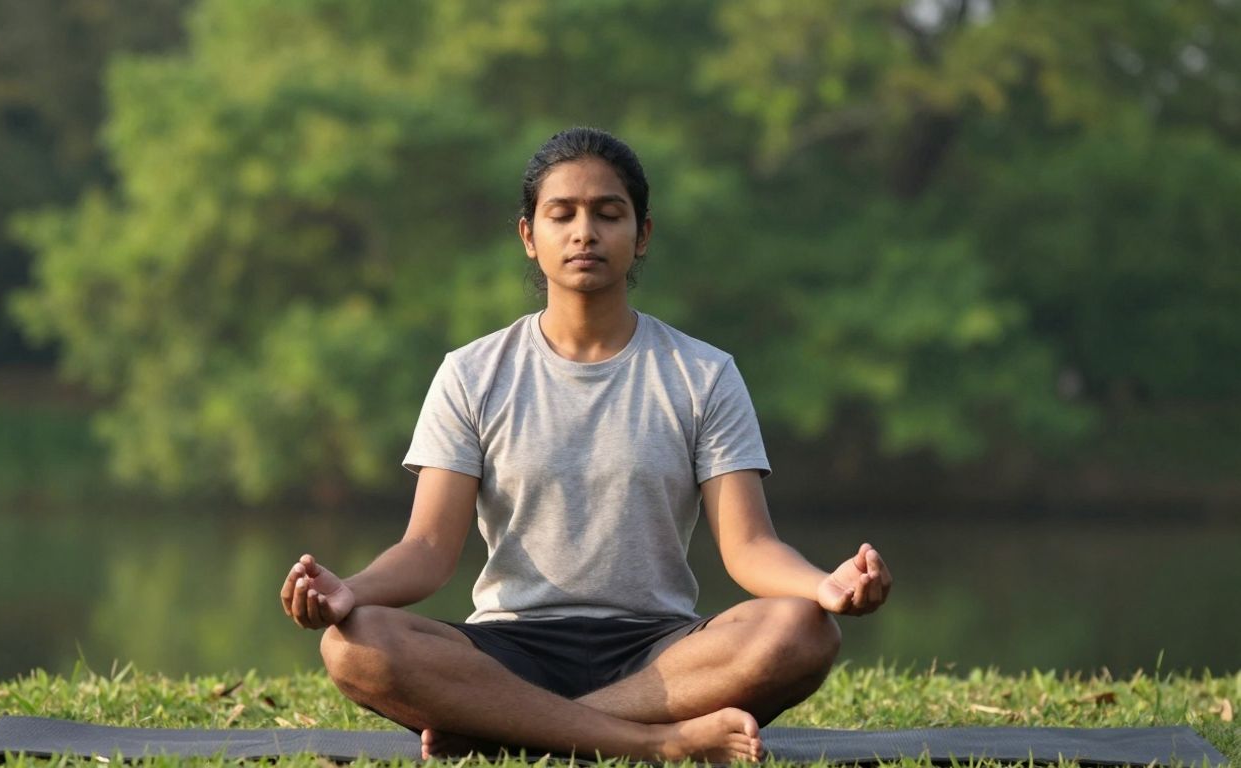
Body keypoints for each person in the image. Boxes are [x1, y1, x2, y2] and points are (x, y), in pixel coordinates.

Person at [279, 127, 892, 763]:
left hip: (660, 653)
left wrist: (825, 586)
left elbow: (749, 546)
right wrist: (351, 591)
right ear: (528, 236)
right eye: (561, 214)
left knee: (801, 631)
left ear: (642, 235)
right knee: (353, 644)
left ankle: (505, 732)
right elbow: (428, 549)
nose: (584, 233)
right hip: (510, 650)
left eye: (608, 213)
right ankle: (656, 743)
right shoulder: (472, 373)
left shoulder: (703, 374)